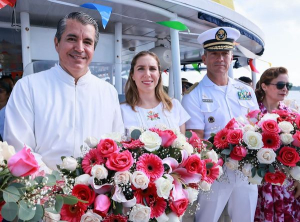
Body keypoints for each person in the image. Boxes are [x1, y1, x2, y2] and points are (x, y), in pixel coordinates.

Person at [4, 12, 124, 170]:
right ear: (56, 43)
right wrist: (56, 188)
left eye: (87, 42)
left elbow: (117, 145)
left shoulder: (108, 92)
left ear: (93, 49)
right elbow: (19, 148)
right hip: (43, 190)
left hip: (97, 191)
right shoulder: (28, 87)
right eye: (71, 39)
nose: (79, 48)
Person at [182, 27, 259, 222]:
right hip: (215, 173)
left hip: (246, 171)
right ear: (204, 58)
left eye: (225, 53)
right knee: (207, 219)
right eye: (214, 54)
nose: (220, 59)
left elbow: (256, 126)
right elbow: (196, 140)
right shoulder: (193, 95)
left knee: (245, 218)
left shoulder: (245, 91)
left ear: (231, 56)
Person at [254, 67, 300, 222]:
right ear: (264, 86)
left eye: (288, 85)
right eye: (280, 85)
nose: (285, 89)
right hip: (258, 183)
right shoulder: (252, 114)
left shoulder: (293, 115)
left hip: (287, 183)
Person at [121, 51, 190, 134]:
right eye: (141, 69)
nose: (147, 74)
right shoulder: (122, 111)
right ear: (132, 75)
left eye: (152, 69)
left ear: (159, 74)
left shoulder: (174, 106)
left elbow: (183, 143)